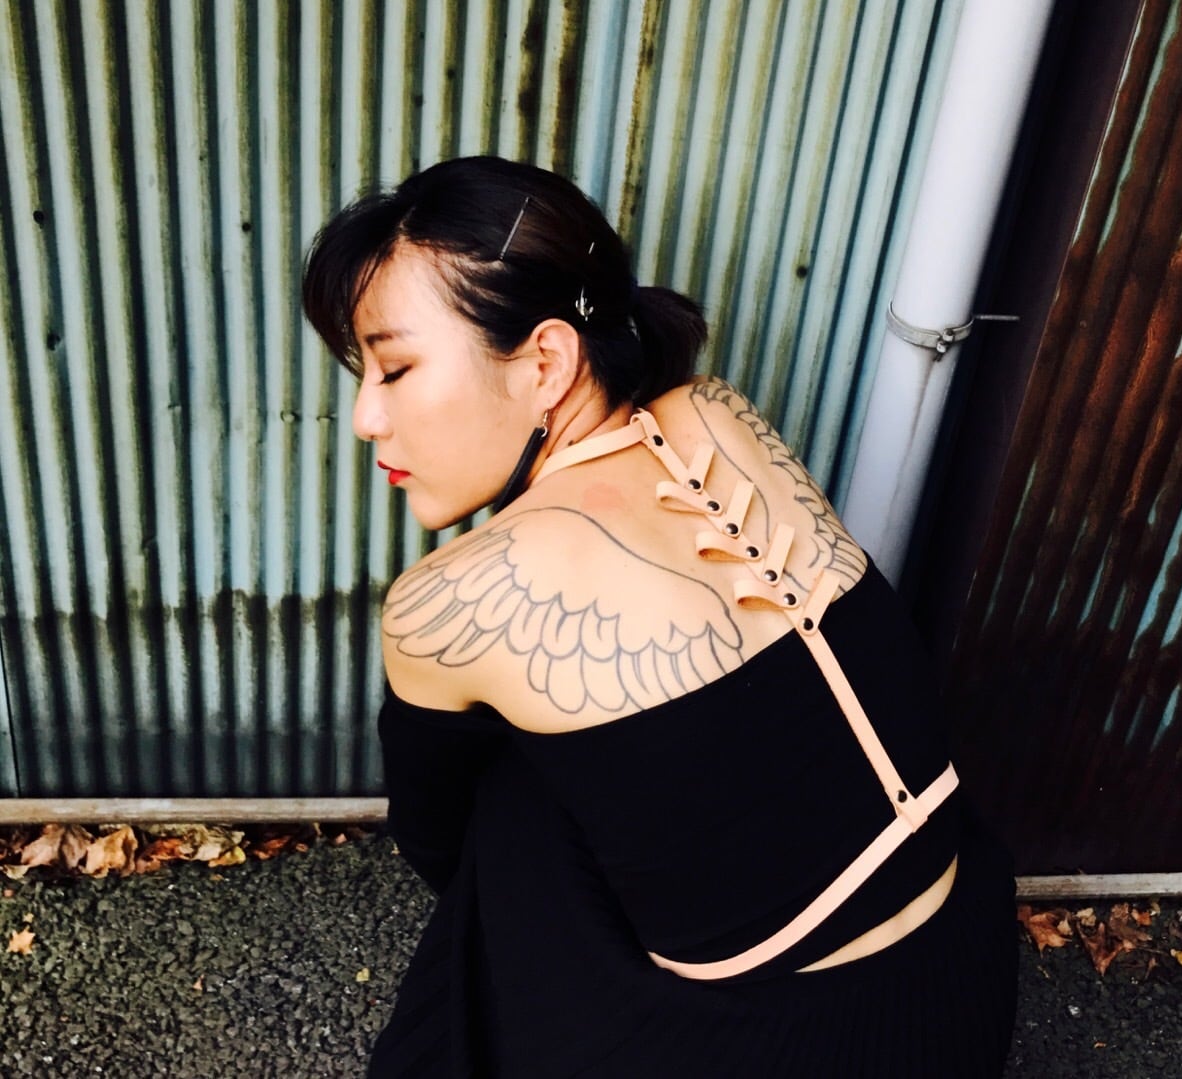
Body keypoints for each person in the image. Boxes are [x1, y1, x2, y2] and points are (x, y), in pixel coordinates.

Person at [302, 155, 1017, 1077]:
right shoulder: (716, 413)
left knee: (508, 803)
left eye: (395, 368)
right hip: (963, 975)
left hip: (779, 1051)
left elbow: (438, 843)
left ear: (547, 362)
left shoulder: (450, 600)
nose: (366, 416)